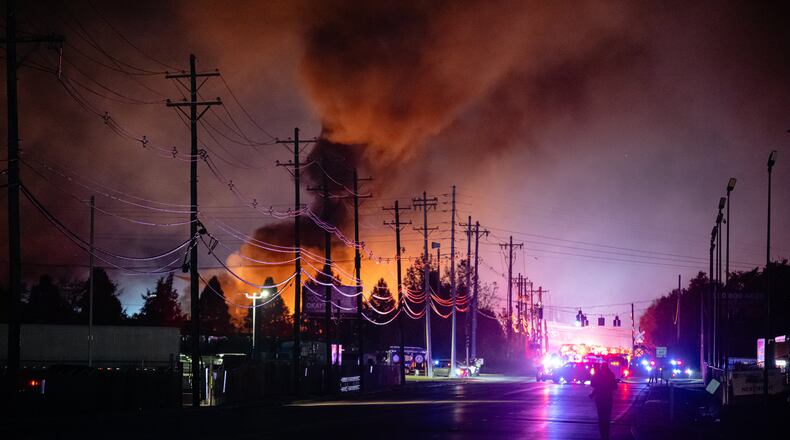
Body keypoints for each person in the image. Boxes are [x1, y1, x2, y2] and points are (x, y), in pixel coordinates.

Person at [590, 362, 618, 440]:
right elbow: (615, 387)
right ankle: (606, 434)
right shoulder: (611, 375)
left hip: (599, 398)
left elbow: (593, 384)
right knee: (607, 416)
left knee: (601, 416)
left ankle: (602, 433)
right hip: (608, 397)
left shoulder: (597, 374)